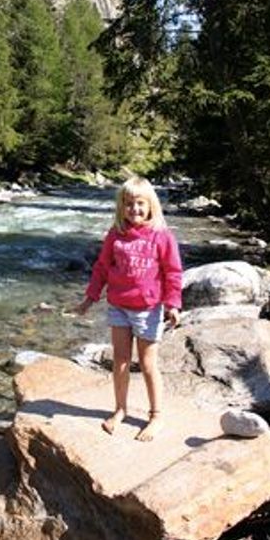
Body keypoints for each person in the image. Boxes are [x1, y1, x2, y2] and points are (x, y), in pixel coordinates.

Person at [76, 176, 182, 441]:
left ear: (151, 205)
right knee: (120, 360)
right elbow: (102, 267)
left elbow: (173, 272)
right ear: (121, 207)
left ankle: (156, 415)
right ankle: (120, 409)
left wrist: (172, 304)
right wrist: (90, 297)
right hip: (119, 307)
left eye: (140, 203)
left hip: (148, 308)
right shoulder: (116, 234)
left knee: (147, 364)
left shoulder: (162, 236)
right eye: (128, 203)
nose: (134, 208)